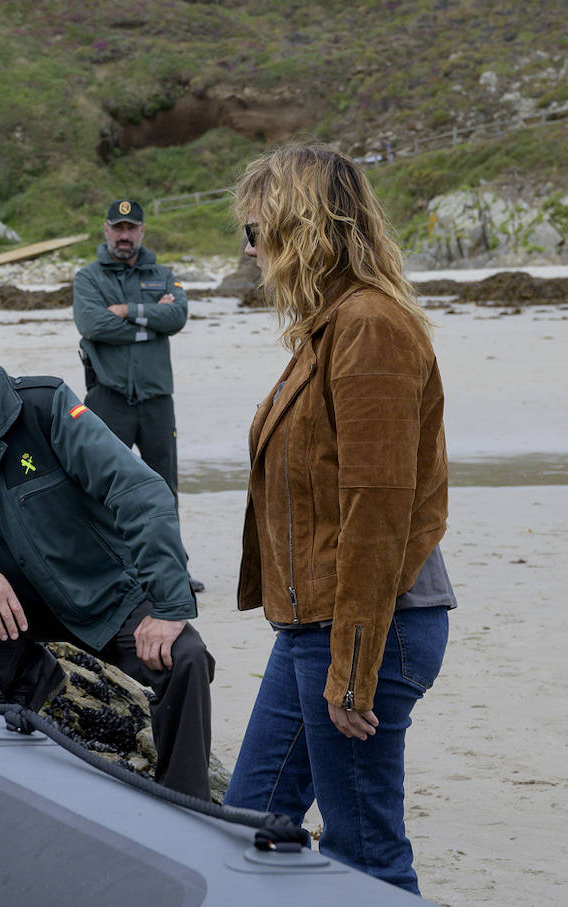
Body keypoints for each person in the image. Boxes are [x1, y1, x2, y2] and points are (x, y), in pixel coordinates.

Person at [223, 145, 454, 895]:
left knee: (366, 854)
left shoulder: (370, 327)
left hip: (368, 626)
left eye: (257, 232)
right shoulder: (327, 328)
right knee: (251, 823)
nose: (249, 250)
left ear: (304, 228)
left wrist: (353, 669)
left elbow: (378, 505)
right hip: (314, 627)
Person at [0, 323, 214, 799]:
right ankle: (30, 675)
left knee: (186, 657)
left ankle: (187, 800)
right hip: (12, 608)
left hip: (99, 593)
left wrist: (168, 605)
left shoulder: (46, 404)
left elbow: (139, 492)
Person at [72, 199, 203, 594]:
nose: (124, 235)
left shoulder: (163, 274)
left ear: (142, 231)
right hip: (107, 397)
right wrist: (150, 321)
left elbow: (177, 317)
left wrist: (127, 309)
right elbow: (93, 324)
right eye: (118, 228)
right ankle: (106, 571)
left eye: (132, 228)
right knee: (100, 486)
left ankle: (173, 571)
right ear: (106, 230)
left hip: (157, 399)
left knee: (164, 486)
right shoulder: (88, 278)